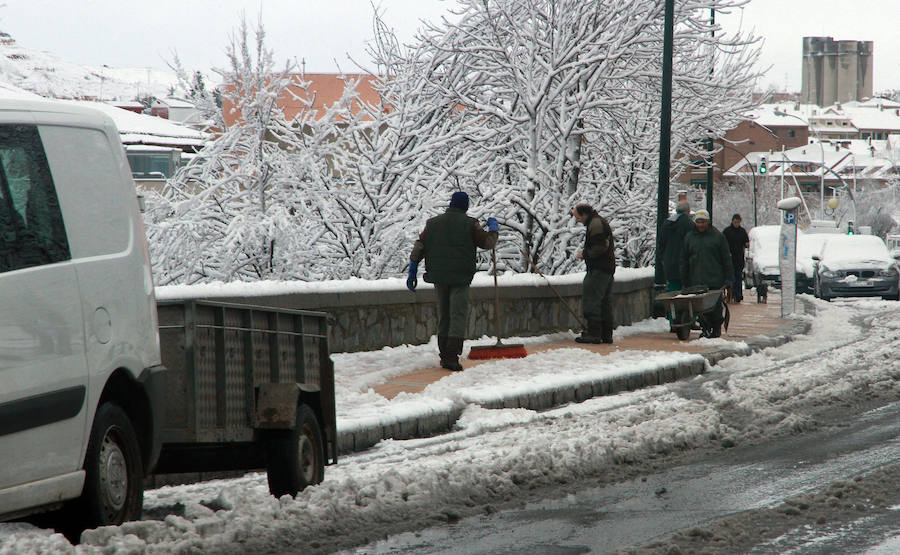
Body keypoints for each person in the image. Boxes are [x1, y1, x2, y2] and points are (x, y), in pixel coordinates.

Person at [407, 191, 498, 371]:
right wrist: (494, 229)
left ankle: (444, 355)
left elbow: (419, 245)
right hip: (460, 277)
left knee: (444, 315)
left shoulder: (432, 224)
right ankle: (451, 357)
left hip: (439, 277)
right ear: (465, 206)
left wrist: (413, 268)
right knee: (457, 315)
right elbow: (488, 243)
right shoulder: (470, 224)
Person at [680, 209, 733, 338]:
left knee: (714, 308)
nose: (700, 225)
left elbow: (726, 258)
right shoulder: (689, 238)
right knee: (699, 308)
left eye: (703, 222)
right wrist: (684, 278)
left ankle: (715, 329)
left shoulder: (717, 237)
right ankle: (705, 327)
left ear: (708, 222)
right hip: (696, 279)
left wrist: (729, 277)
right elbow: (684, 259)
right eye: (698, 222)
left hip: (714, 279)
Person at [572, 203, 616, 344]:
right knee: (605, 303)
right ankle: (606, 335)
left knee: (592, 301)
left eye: (578, 218)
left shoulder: (596, 224)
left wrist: (585, 254)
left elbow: (601, 246)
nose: (578, 221)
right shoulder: (597, 222)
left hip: (599, 269)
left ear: (585, 214)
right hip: (606, 269)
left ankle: (594, 334)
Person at [658, 200, 695, 292]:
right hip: (685, 265)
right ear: (688, 211)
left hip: (669, 264)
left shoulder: (666, 223)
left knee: (673, 289)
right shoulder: (689, 224)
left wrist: (663, 258)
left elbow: (661, 243)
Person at [722, 213, 750, 303]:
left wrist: (747, 245)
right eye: (735, 222)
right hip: (729, 259)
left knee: (738, 278)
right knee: (730, 278)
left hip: (739, 259)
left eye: (738, 222)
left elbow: (746, 242)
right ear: (732, 221)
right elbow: (722, 243)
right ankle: (731, 294)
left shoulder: (742, 231)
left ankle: (738, 295)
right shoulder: (727, 231)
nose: (736, 224)